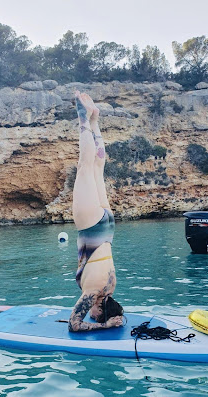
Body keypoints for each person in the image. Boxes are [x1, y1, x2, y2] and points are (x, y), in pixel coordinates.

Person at [69, 91, 124, 332]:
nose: (90, 313)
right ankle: (83, 117)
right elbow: (74, 325)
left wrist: (114, 318)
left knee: (98, 168)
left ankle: (95, 121)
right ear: (99, 310)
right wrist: (105, 326)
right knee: (85, 166)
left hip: (107, 229)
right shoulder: (94, 292)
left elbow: (109, 309)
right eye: (95, 315)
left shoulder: (110, 288)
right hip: (91, 226)